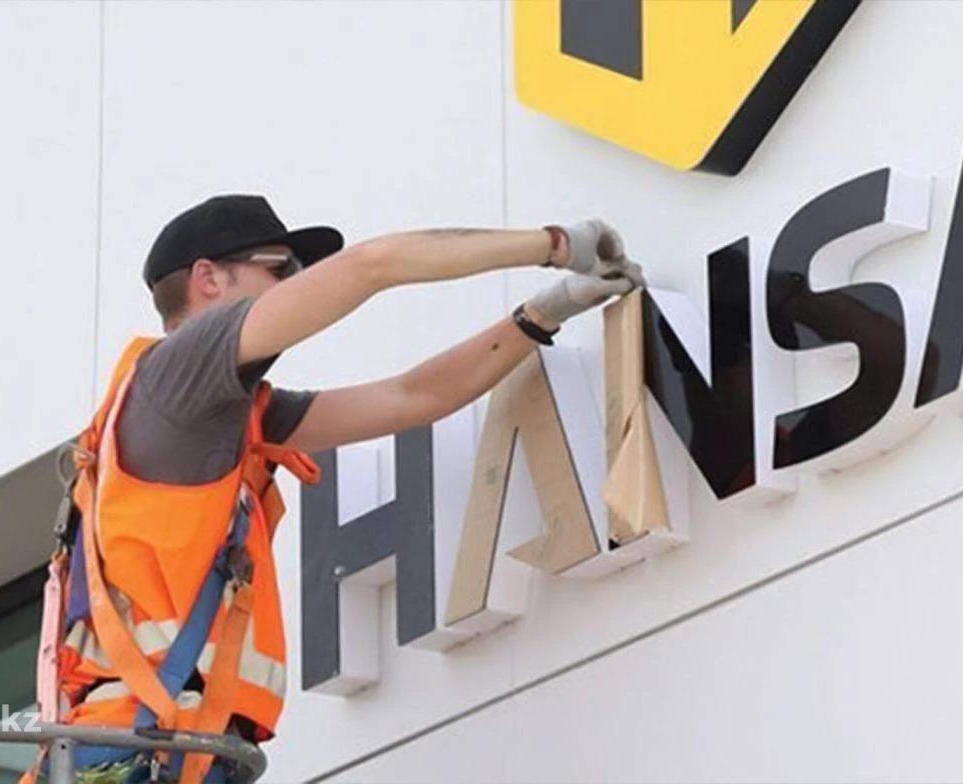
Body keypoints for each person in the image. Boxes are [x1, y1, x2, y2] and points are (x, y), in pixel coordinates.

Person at [52, 194, 644, 783]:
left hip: (164, 748)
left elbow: (414, 397)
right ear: (208, 278)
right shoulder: (178, 373)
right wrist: (556, 245)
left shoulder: (221, 414)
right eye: (280, 268)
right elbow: (371, 266)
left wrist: (543, 313)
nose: (298, 284)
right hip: (145, 747)